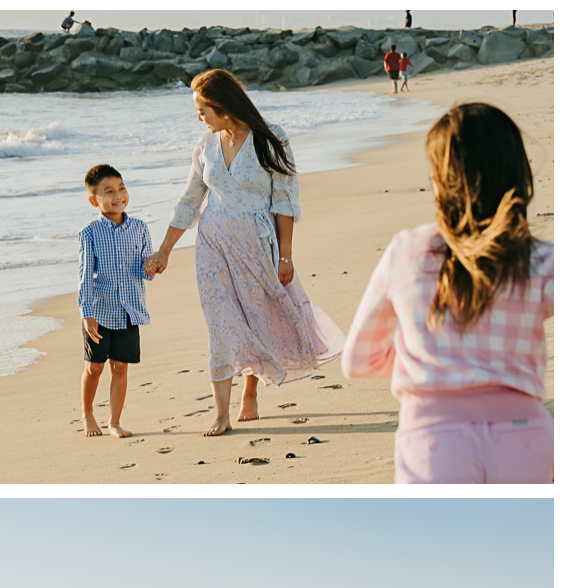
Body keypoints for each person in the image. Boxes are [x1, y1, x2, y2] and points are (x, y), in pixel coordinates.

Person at [341, 103, 554, 484]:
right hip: (525, 435)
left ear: (439, 181)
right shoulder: (539, 259)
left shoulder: (407, 251)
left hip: (432, 441)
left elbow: (358, 360)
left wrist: (428, 354)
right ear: (518, 174)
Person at [145, 69, 345, 436]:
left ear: (222, 106)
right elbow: (190, 201)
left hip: (256, 244)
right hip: (212, 245)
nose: (199, 118)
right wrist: (165, 250)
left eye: (202, 110)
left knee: (257, 317)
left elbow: (285, 200)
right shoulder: (205, 147)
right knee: (220, 323)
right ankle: (220, 413)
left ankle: (250, 391)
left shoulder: (271, 138)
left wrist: (286, 255)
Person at [78, 164, 154, 438]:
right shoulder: (90, 233)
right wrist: (86, 313)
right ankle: (87, 413)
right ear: (94, 200)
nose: (118, 195)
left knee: (120, 366)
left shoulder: (140, 228)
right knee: (95, 366)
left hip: (129, 311)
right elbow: (85, 276)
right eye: (109, 192)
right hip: (99, 312)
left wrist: (152, 267)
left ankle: (114, 421)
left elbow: (145, 270)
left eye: (121, 188)